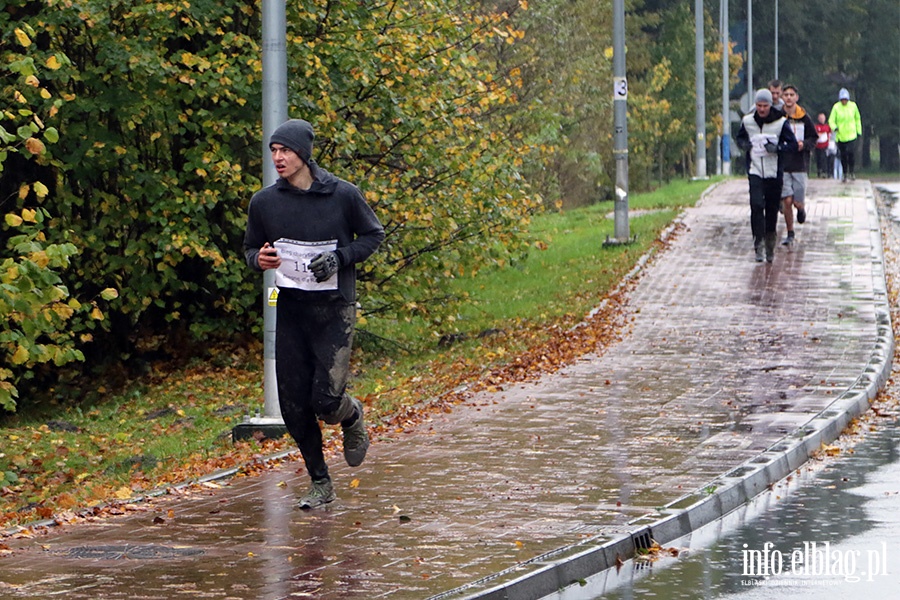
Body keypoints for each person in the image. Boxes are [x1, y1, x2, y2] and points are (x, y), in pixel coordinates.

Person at [243, 119, 385, 509]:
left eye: (284, 150)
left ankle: (351, 414)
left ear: (303, 154)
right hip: (290, 310)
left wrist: (339, 258)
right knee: (292, 405)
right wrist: (261, 260)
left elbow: (374, 235)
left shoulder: (342, 195)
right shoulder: (265, 203)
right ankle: (321, 482)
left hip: (333, 312)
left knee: (325, 401)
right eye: (273, 151)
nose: (277, 158)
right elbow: (251, 249)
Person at [736, 89, 798, 263]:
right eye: (758, 106)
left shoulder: (780, 122)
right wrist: (745, 145)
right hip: (755, 170)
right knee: (756, 206)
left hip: (773, 172)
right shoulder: (748, 121)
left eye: (765, 106)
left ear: (770, 105)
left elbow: (792, 144)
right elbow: (739, 138)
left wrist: (777, 148)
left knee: (771, 209)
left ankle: (770, 242)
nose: (761, 109)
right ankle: (758, 243)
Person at [779, 85, 817, 246]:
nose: (788, 97)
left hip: (800, 164)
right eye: (786, 94)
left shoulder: (804, 117)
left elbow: (814, 138)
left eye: (791, 95)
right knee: (786, 201)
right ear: (782, 97)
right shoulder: (778, 116)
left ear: (796, 97)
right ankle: (790, 232)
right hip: (783, 164)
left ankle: (800, 209)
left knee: (797, 201)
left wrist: (804, 144)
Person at [828, 88, 862, 182]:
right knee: (843, 155)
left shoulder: (853, 106)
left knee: (851, 153)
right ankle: (845, 173)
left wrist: (859, 131)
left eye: (845, 99)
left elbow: (857, 118)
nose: (844, 101)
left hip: (851, 134)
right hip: (841, 135)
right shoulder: (836, 107)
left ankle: (852, 171)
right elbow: (831, 120)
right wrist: (834, 127)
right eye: (842, 100)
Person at [814, 113, 832, 178]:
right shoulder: (816, 126)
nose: (822, 120)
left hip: (825, 145)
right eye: (820, 118)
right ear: (818, 119)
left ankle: (826, 171)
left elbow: (830, 134)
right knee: (819, 159)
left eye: (823, 118)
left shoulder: (827, 126)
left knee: (825, 158)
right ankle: (819, 171)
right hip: (818, 146)